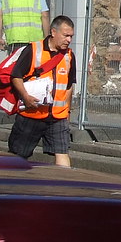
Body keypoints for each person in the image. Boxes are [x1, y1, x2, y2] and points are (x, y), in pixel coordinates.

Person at [7, 15, 77, 167]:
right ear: (53, 32)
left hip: (57, 116)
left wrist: (67, 112)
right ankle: (11, 184)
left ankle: (63, 187)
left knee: (62, 153)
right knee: (18, 156)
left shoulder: (69, 56)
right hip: (32, 114)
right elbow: (16, 76)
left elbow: (69, 85)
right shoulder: (33, 50)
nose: (69, 40)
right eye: (65, 35)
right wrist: (25, 97)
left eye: (71, 36)